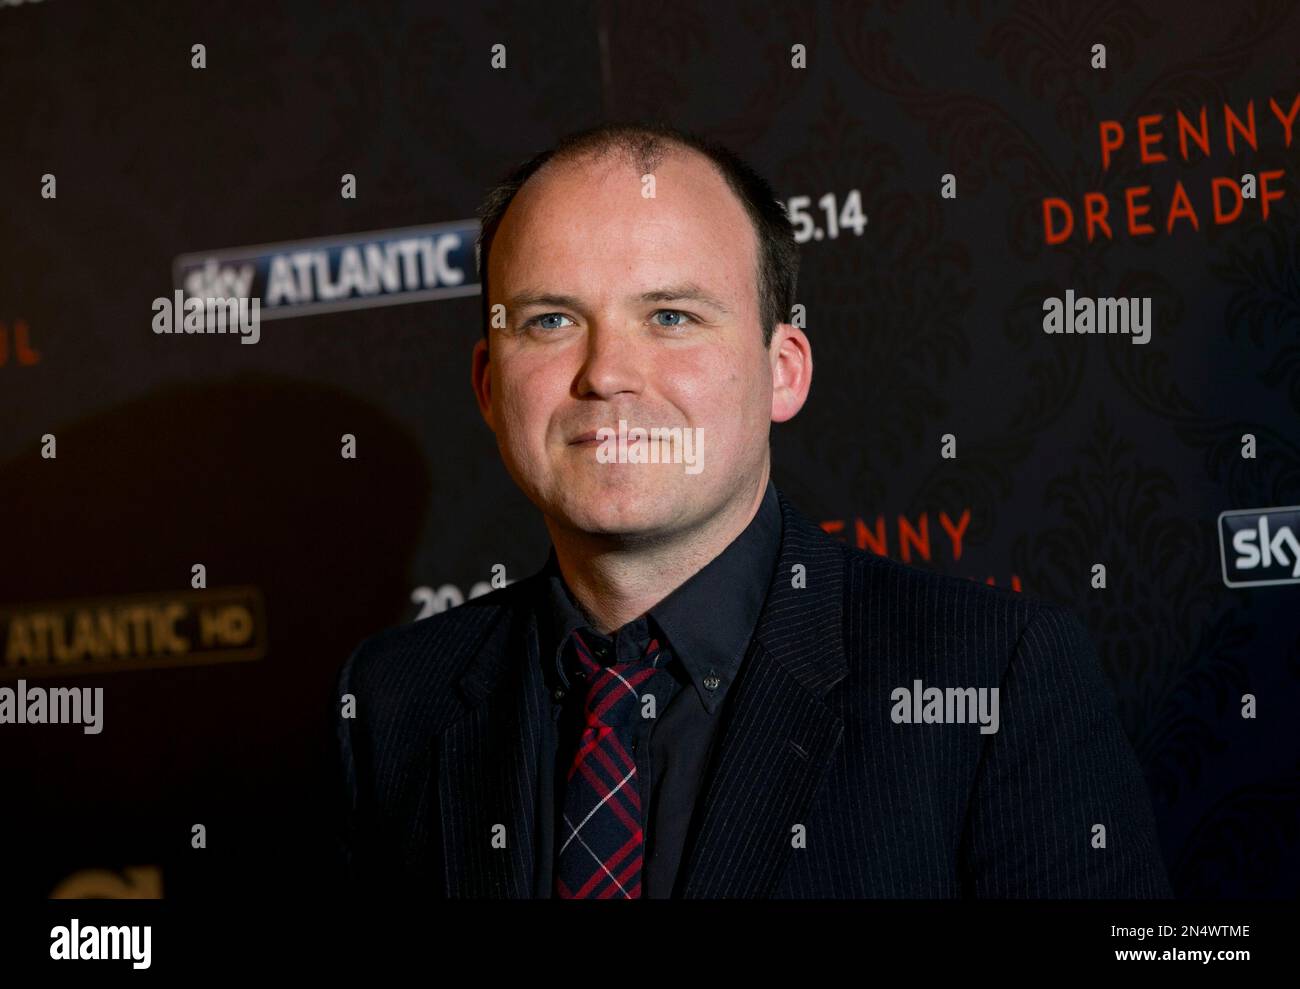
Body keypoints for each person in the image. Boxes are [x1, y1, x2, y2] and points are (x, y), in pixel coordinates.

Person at [328, 121, 1172, 899]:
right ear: (487, 385)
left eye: (670, 315)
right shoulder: (395, 701)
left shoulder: (992, 679)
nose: (607, 373)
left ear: (784, 370)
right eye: (551, 320)